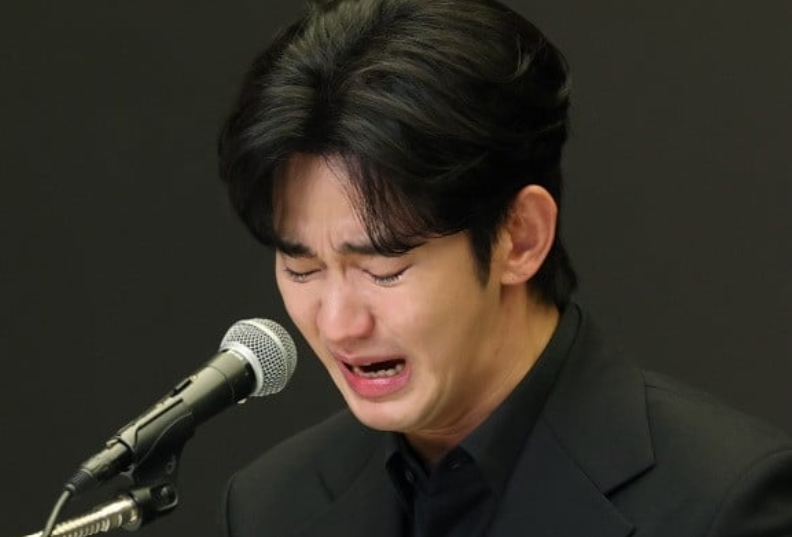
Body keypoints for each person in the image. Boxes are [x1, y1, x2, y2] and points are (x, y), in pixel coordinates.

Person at [216, 0, 792, 535]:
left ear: (520, 238)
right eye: (302, 268)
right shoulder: (269, 506)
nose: (339, 325)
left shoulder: (723, 504)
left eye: (385, 267)